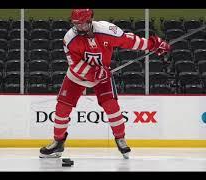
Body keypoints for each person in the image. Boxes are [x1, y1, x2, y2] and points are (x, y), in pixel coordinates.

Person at [39, 9, 171, 159]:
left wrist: (153, 44)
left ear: (90, 20)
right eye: (76, 24)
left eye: (83, 24)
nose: (79, 27)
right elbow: (74, 64)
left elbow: (129, 40)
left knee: (112, 107)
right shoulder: (69, 38)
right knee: (62, 108)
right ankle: (58, 142)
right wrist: (93, 72)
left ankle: (120, 138)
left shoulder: (107, 30)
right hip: (77, 77)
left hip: (102, 76)